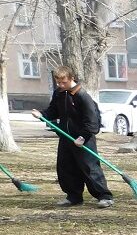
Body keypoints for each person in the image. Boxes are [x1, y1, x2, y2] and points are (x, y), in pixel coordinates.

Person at [31, 66, 114, 208]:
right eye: (58, 82)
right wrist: (42, 115)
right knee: (66, 167)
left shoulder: (82, 96)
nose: (61, 85)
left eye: (64, 82)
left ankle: (104, 196)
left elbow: (92, 122)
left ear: (71, 78)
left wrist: (83, 137)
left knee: (89, 168)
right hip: (66, 137)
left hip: (83, 139)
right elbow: (53, 111)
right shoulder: (59, 94)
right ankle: (74, 197)